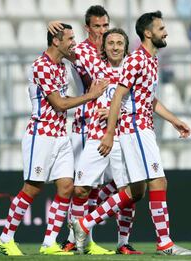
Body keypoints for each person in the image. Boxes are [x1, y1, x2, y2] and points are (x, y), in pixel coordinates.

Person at [72, 11, 191, 256]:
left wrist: (174, 121)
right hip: (136, 128)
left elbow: (149, 99)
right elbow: (119, 94)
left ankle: (84, 223)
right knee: (159, 181)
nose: (166, 32)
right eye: (161, 29)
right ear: (148, 33)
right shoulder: (137, 60)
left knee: (135, 191)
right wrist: (109, 133)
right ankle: (165, 243)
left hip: (141, 126)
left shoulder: (151, 59)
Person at [0, 23, 108, 256]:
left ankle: (49, 243)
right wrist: (91, 96)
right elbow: (59, 103)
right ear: (56, 41)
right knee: (32, 188)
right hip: (41, 135)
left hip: (60, 135)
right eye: (69, 38)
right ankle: (5, 238)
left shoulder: (62, 66)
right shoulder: (41, 66)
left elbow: (65, 95)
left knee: (66, 187)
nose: (73, 43)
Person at [47, 5, 131, 255]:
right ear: (88, 28)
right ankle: (73, 237)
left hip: (114, 125)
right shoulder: (81, 50)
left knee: (117, 185)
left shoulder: (117, 53)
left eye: (105, 26)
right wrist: (53, 25)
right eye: (97, 26)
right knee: (82, 185)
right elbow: (58, 47)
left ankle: (117, 240)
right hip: (86, 123)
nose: (102, 31)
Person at [73, 28, 143, 255]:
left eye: (119, 43)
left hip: (124, 138)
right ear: (103, 47)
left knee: (127, 192)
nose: (114, 47)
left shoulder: (132, 70)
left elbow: (142, 104)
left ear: (125, 47)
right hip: (96, 136)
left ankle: (123, 242)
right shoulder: (97, 67)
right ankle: (77, 240)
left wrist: (117, 113)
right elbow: (69, 51)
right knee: (81, 189)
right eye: (110, 43)